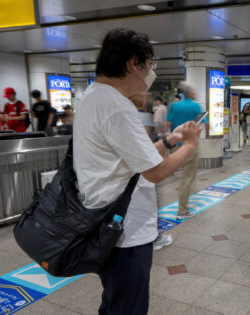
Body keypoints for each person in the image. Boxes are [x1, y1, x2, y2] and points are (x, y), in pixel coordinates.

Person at [73, 28, 202, 314]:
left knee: (116, 301)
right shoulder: (116, 107)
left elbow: (135, 161)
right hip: (125, 232)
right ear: (134, 63)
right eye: (150, 65)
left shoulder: (93, 96)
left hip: (104, 223)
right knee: (128, 307)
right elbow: (155, 172)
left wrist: (171, 140)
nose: (150, 73)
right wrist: (191, 145)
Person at [167, 81, 204, 220]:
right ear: (191, 93)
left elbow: (168, 124)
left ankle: (184, 200)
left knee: (183, 176)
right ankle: (182, 211)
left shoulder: (175, 106)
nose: (196, 92)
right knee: (187, 178)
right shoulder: (196, 106)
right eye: (195, 90)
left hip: (177, 144)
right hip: (190, 147)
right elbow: (201, 126)